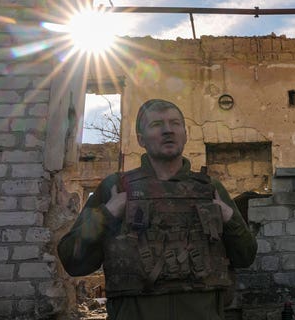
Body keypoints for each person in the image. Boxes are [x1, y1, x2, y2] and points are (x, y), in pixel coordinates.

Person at [58, 99, 257, 320]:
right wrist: (106, 214)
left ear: (185, 134)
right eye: (156, 125)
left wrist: (229, 219)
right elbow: (72, 262)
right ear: (141, 139)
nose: (168, 130)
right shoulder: (116, 187)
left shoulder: (210, 189)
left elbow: (246, 256)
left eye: (175, 123)